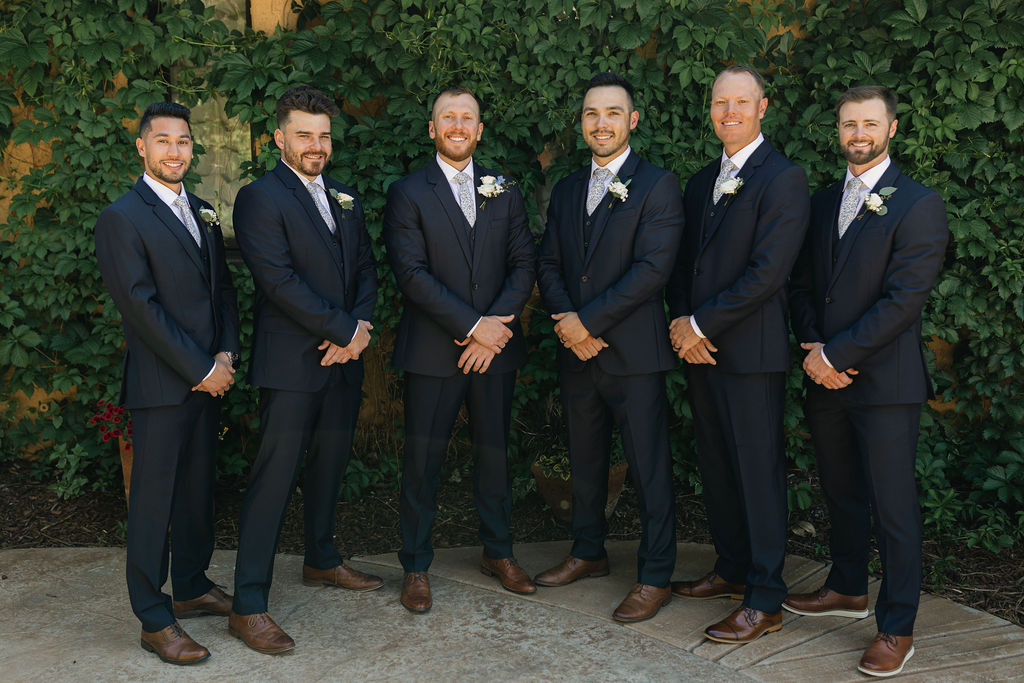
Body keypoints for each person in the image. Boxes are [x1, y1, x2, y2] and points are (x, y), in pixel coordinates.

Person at [787, 85, 948, 677]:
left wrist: (839, 354)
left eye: (869, 123)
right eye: (848, 123)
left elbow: (903, 300)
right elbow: (802, 284)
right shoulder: (825, 199)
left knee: (894, 507)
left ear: (892, 129)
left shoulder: (918, 203)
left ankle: (897, 624)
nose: (858, 133)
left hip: (884, 383)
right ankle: (848, 586)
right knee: (840, 490)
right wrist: (813, 346)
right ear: (838, 130)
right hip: (824, 375)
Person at [231, 85, 381, 654]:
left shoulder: (344, 195)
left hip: (343, 363)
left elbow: (365, 267)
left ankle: (321, 559)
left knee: (330, 467)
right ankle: (248, 605)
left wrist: (359, 331)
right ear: (279, 138)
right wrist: (344, 331)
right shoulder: (259, 198)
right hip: (292, 365)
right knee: (274, 479)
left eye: (323, 135)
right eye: (303, 135)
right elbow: (278, 281)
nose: (315, 145)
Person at [666, 65, 809, 643]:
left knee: (757, 473)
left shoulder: (784, 178)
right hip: (700, 352)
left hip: (750, 353)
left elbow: (768, 274)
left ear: (762, 107)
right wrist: (682, 324)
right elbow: (684, 265)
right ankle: (729, 568)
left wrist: (700, 323)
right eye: (720, 102)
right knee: (718, 467)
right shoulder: (701, 181)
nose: (729, 112)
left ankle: (766, 596)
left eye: (741, 103)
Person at [383, 85, 538, 613]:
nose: (457, 125)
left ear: (478, 129)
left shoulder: (506, 188)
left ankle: (498, 552)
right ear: (432, 129)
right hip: (434, 350)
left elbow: (523, 263)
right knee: (422, 461)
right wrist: (473, 325)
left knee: (494, 455)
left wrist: (494, 330)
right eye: (447, 116)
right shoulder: (408, 192)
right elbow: (411, 273)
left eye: (466, 117)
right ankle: (416, 565)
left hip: (495, 351)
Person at [95, 101, 239, 665]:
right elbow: (140, 308)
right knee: (154, 503)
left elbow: (223, 290)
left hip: (209, 377)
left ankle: (194, 584)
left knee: (198, 489)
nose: (175, 151)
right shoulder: (122, 217)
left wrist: (224, 354)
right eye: (163, 141)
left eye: (183, 142)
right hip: (163, 385)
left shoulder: (203, 211)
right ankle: (154, 618)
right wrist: (201, 369)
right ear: (142, 147)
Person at [535, 72, 682, 623]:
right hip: (576, 351)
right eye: (592, 113)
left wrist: (590, 321)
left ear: (632, 120)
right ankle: (587, 550)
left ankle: (655, 574)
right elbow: (549, 263)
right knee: (585, 458)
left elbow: (652, 269)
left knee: (648, 467)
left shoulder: (658, 185)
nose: (601, 123)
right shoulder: (570, 189)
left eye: (613, 113)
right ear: (582, 123)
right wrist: (570, 323)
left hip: (633, 354)